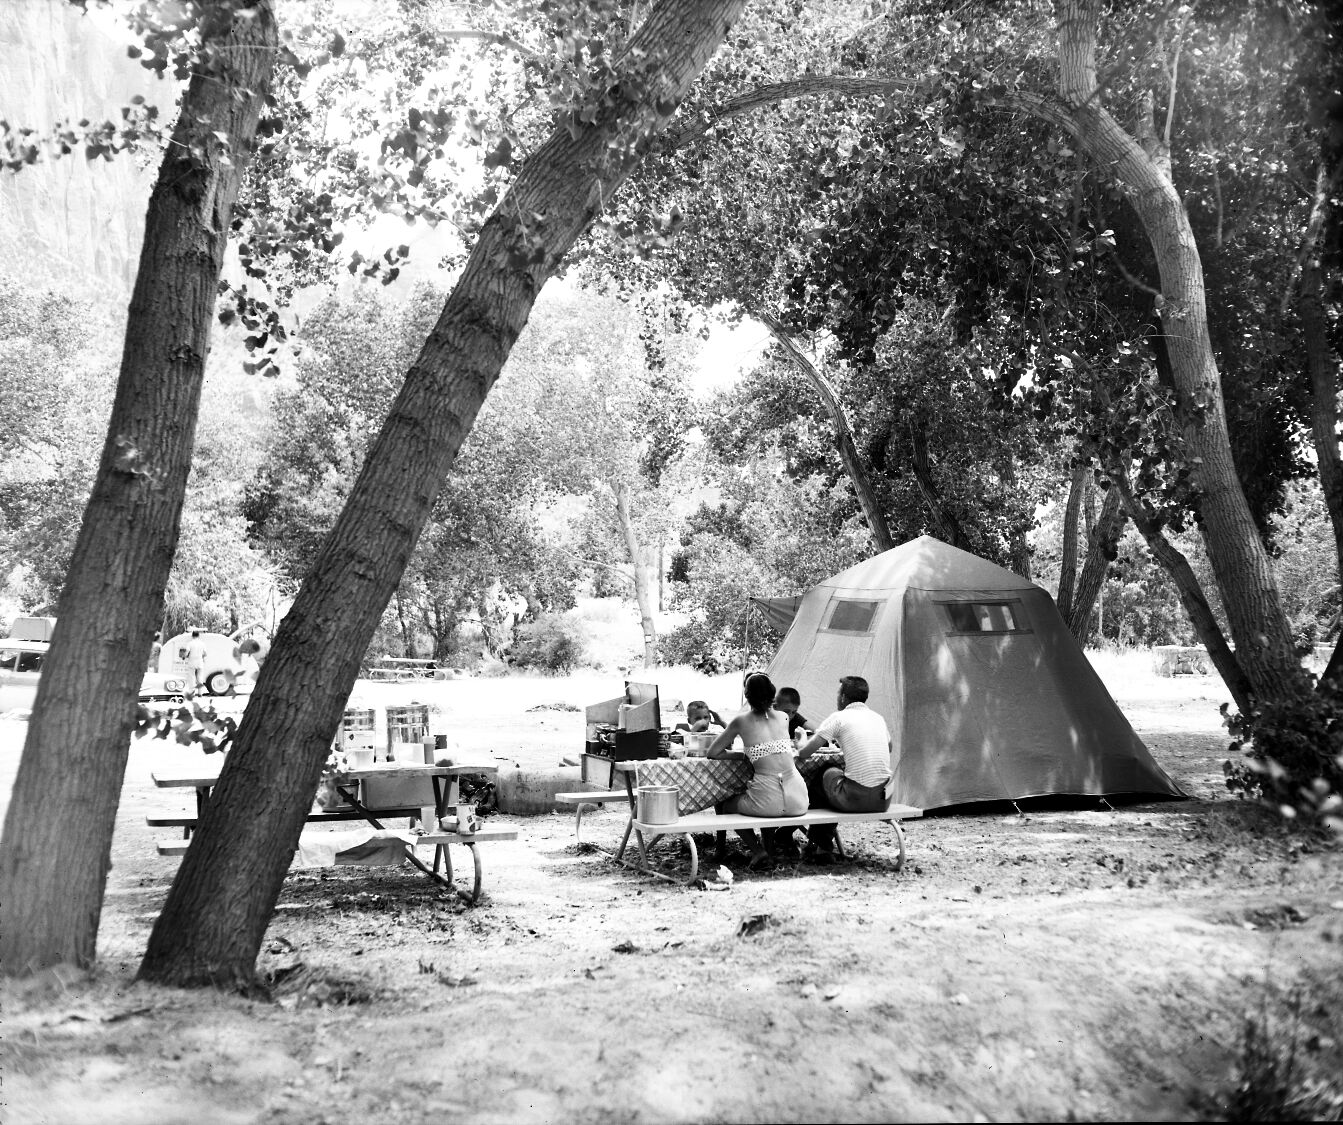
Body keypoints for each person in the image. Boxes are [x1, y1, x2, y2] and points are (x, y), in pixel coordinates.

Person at [705, 672, 808, 871]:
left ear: (747, 696)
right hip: (798, 799)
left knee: (726, 806)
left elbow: (713, 752)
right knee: (765, 797)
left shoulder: (741, 721)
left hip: (768, 800)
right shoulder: (784, 717)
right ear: (772, 695)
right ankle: (769, 849)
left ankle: (758, 851)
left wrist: (744, 755)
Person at [796, 675, 893, 863]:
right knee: (837, 779)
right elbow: (888, 747)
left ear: (843, 697)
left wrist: (801, 740)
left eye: (837, 693)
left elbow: (805, 753)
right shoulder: (878, 718)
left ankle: (821, 845)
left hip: (855, 799)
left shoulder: (838, 718)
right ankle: (819, 843)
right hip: (885, 798)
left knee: (826, 772)